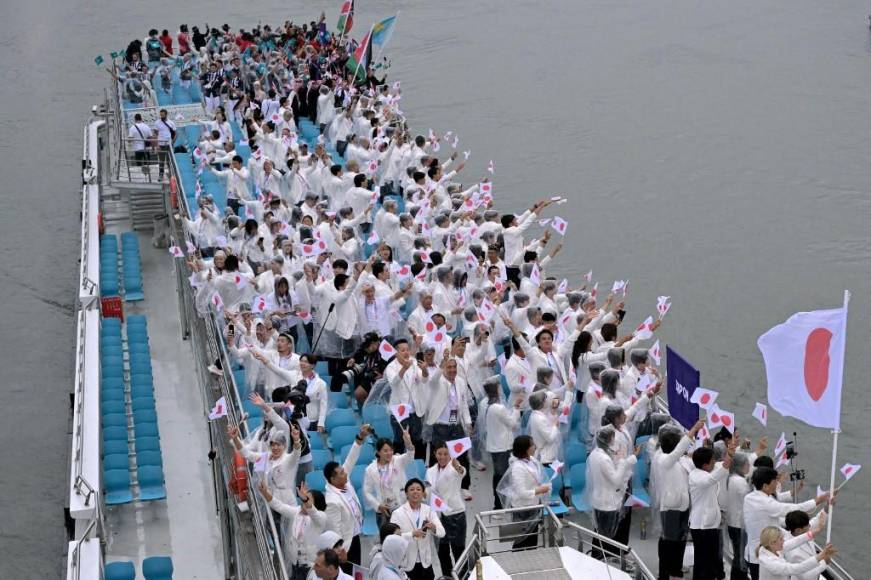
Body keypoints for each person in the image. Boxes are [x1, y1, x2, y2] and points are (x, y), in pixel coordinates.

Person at [742, 466, 831, 580]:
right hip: (759, 558)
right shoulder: (765, 503)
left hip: (758, 549)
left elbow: (790, 541)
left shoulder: (750, 498)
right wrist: (818, 500)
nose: (777, 484)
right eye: (775, 482)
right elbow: (792, 508)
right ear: (765, 486)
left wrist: (814, 532)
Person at [651, 419, 704, 580]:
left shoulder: (677, 458)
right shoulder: (662, 459)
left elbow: (687, 458)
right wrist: (693, 430)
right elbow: (677, 453)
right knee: (669, 542)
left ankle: (676, 570)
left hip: (683, 506)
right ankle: (666, 572)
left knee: (680, 540)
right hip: (671, 507)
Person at [324, 425, 371, 572]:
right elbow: (335, 529)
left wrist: (360, 438)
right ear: (333, 479)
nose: (345, 473)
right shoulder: (331, 501)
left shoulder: (345, 481)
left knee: (356, 571)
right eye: (341, 473)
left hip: (356, 536)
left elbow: (350, 460)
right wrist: (340, 550)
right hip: (345, 545)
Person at [258, 480, 327, 580]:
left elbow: (314, 514)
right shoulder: (297, 511)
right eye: (303, 498)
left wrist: (305, 500)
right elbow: (280, 506)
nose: (303, 501)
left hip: (311, 567)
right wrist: (265, 493)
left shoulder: (321, 517)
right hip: (295, 565)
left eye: (307, 499)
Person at [587, 424, 639, 557]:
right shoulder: (604, 459)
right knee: (606, 536)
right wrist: (622, 461)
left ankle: (600, 558)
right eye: (612, 438)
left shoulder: (595, 454)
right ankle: (604, 560)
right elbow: (616, 480)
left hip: (599, 499)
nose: (615, 441)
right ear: (608, 440)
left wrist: (625, 458)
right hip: (607, 502)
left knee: (601, 533)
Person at [688, 445, 733, 580]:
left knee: (710, 559)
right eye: (713, 460)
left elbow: (720, 467)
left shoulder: (705, 471)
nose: (715, 462)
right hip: (702, 525)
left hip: (709, 524)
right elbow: (711, 479)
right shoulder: (696, 476)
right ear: (705, 464)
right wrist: (728, 460)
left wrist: (731, 453)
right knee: (703, 561)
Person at [500, 435, 551, 550]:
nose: (535, 447)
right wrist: (540, 490)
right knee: (521, 541)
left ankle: (531, 562)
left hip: (534, 505)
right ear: (526, 449)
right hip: (523, 508)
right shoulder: (517, 467)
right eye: (532, 445)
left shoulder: (532, 460)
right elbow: (521, 492)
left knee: (532, 539)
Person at [389, 479, 445, 580]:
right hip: (407, 564)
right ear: (406, 494)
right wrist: (412, 534)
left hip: (426, 563)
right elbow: (391, 538)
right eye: (412, 489)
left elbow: (442, 533)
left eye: (419, 489)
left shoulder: (429, 510)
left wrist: (434, 528)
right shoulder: (397, 513)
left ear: (423, 493)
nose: (415, 492)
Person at [425, 442, 466, 576]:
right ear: (434, 454)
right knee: (442, 551)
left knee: (458, 550)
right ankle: (448, 577)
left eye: (446, 454)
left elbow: (462, 472)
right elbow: (428, 491)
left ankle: (463, 576)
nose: (442, 457)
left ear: (450, 454)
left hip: (455, 514)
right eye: (439, 454)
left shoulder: (454, 467)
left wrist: (458, 466)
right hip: (438, 515)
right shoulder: (430, 471)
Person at [480, 377, 521, 509]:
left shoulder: (486, 405)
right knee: (501, 477)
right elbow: (513, 424)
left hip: (495, 445)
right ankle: (498, 505)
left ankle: (499, 503)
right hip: (502, 446)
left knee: (498, 475)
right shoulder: (499, 408)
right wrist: (516, 408)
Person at [364, 431, 415, 529]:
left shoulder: (398, 460)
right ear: (378, 452)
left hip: (401, 505)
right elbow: (367, 492)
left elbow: (410, 455)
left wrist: (408, 442)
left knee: (405, 533)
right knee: (386, 537)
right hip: (384, 509)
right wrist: (378, 505)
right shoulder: (370, 469)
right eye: (385, 451)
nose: (389, 453)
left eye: (391, 450)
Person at [756, 526, 836, 580]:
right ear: (772, 543)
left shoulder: (770, 548)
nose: (784, 541)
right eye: (781, 539)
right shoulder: (771, 563)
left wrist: (815, 531)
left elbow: (795, 541)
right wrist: (822, 557)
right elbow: (797, 568)